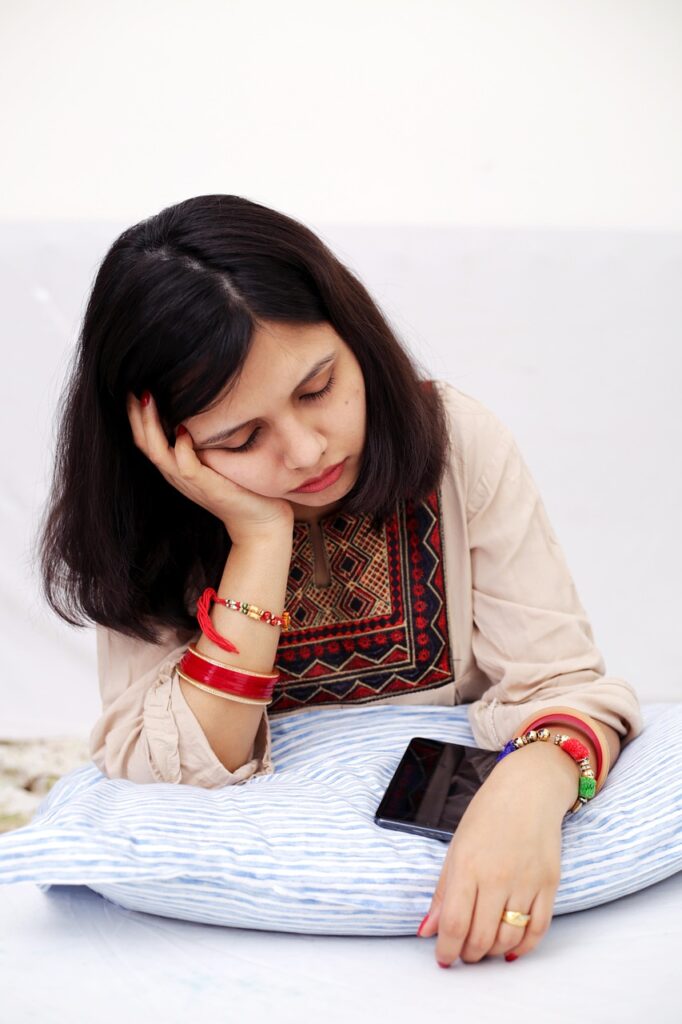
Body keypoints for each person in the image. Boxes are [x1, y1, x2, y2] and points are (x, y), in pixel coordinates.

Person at [37, 193, 643, 968]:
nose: (306, 450)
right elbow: (171, 770)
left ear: (353, 334)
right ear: (164, 448)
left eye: (317, 388)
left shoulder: (457, 444)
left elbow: (560, 683)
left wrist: (532, 785)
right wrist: (260, 539)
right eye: (241, 437)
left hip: (442, 908)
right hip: (240, 943)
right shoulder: (150, 520)